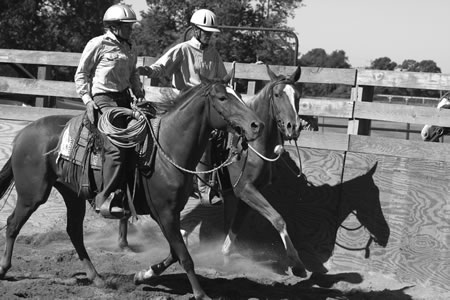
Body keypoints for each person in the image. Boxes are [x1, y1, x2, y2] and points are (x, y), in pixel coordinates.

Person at [138, 8, 227, 205]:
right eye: (207, 31)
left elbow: (221, 79)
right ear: (196, 31)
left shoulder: (213, 53)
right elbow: (162, 66)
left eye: (212, 32)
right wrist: (148, 71)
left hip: (206, 105)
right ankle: (202, 188)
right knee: (203, 139)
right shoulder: (183, 49)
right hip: (184, 104)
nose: (210, 35)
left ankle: (217, 182)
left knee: (224, 133)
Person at [74, 4, 145, 218]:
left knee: (143, 138)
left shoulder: (130, 47)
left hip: (125, 99)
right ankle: (104, 197)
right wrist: (88, 101)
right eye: (127, 26)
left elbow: (132, 74)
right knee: (115, 147)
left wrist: (139, 92)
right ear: (114, 26)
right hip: (103, 99)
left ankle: (131, 192)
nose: (131, 29)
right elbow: (81, 74)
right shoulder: (98, 44)